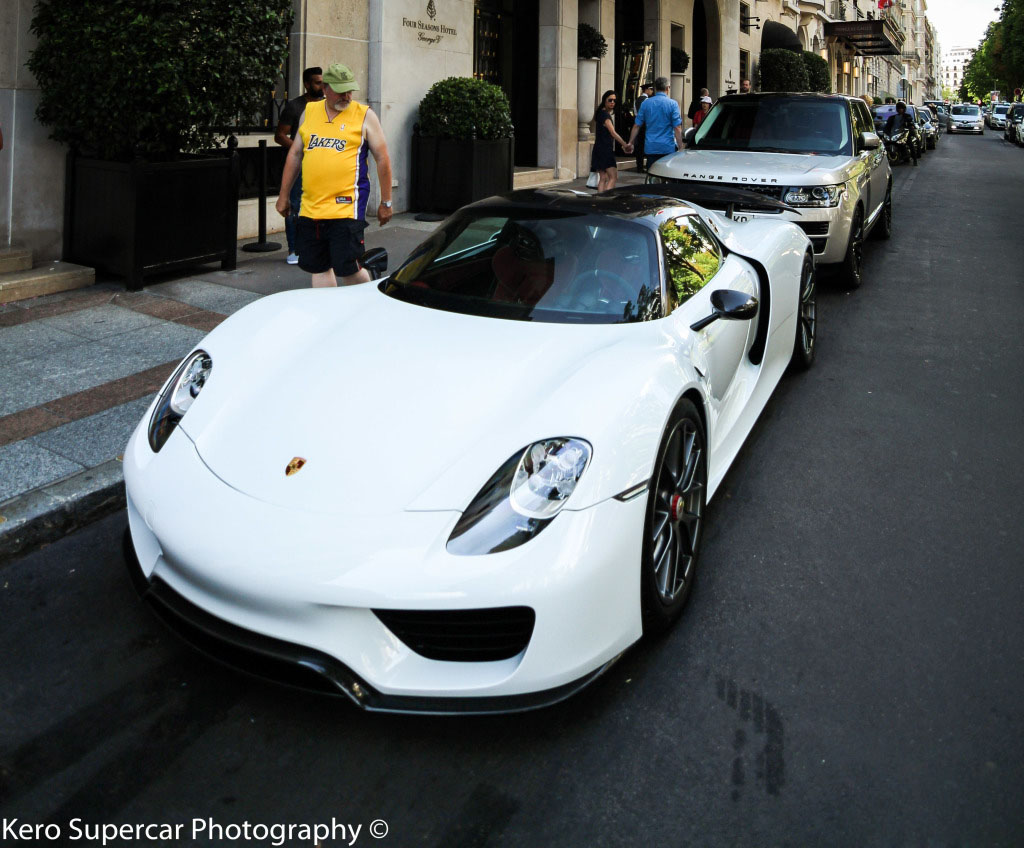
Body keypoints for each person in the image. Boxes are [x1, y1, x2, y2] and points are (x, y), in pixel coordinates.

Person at [275, 63, 393, 288]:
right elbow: (295, 155)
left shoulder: (365, 115)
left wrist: (386, 201)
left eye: (350, 90)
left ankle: (366, 301)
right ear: (326, 89)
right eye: (341, 90)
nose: (347, 96)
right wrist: (283, 196)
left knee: (348, 268)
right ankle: (328, 316)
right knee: (319, 267)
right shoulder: (309, 113)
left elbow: (382, 158)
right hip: (312, 207)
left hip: (346, 207)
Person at [275, 67, 324, 265]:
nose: (321, 86)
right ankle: (294, 249)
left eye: (322, 82)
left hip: (321, 163)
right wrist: (301, 149)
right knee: (295, 205)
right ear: (306, 84)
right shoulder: (295, 106)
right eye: (317, 82)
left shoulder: (326, 106)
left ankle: (313, 247)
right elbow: (279, 136)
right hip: (299, 165)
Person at [628, 77, 683, 171]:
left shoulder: (646, 104)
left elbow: (637, 125)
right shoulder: (673, 104)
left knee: (652, 174)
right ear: (668, 88)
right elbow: (677, 127)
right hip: (667, 147)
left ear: (655, 88)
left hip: (651, 146)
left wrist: (631, 142)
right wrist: (681, 146)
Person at [590, 91, 632, 191]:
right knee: (613, 177)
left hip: (599, 149)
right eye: (610, 100)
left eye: (614, 100)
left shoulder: (600, 114)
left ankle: (601, 200)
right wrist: (625, 144)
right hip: (605, 150)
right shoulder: (605, 115)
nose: (612, 102)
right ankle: (606, 199)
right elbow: (613, 132)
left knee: (603, 178)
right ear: (604, 100)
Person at [884, 100, 919, 166]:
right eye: (899, 108)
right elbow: (887, 126)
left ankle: (915, 160)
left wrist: (909, 126)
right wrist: (885, 132)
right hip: (895, 133)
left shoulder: (907, 116)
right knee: (885, 143)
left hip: (904, 134)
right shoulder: (892, 117)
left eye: (901, 108)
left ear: (904, 109)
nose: (900, 110)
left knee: (910, 144)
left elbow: (911, 124)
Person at [633, 83, 654, 171]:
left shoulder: (636, 100)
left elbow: (635, 113)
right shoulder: (647, 100)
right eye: (651, 89)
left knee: (639, 147)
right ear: (647, 90)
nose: (652, 91)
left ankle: (639, 166)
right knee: (648, 146)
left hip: (638, 124)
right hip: (646, 125)